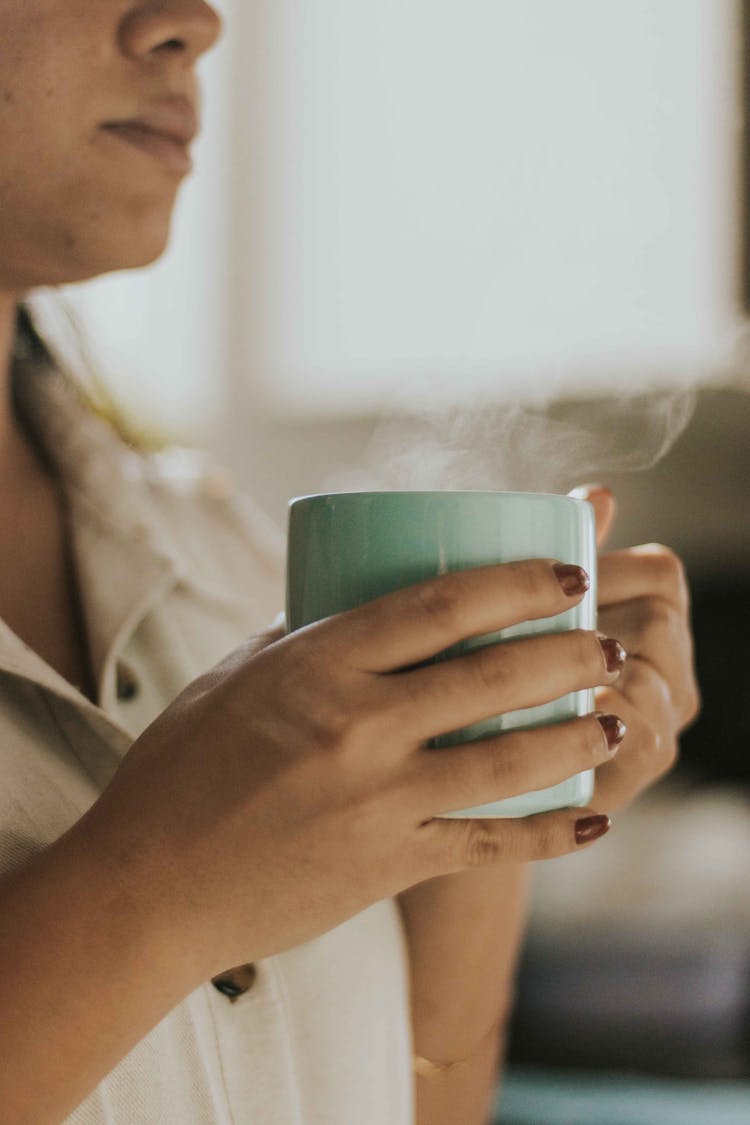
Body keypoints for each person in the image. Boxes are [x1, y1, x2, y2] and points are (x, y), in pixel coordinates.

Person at [0, 3, 700, 1123]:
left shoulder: (230, 562)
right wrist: (155, 889)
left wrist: (487, 793)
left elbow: (421, 1099)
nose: (192, 22)